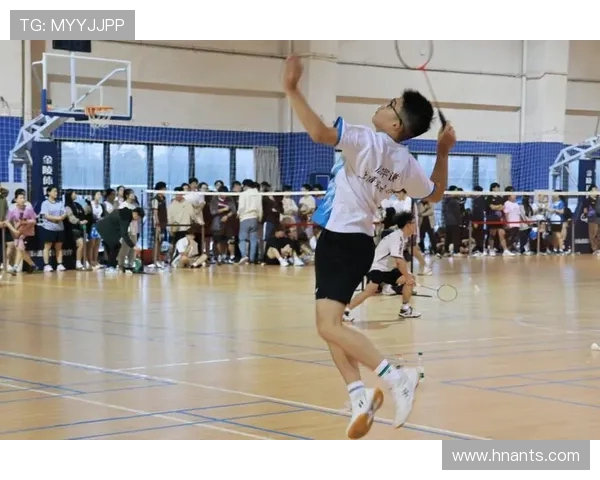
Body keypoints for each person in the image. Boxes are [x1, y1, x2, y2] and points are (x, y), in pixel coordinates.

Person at [282, 55, 455, 439]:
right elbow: (436, 193)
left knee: (329, 326)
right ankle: (358, 396)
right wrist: (443, 152)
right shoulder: (405, 162)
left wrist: (291, 89)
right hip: (352, 240)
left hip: (343, 240)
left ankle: (396, 377)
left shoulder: (365, 138)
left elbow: (319, 133)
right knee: (330, 327)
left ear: (395, 125)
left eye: (390, 104)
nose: (382, 104)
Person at [343, 211, 420, 322]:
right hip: (377, 267)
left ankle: (405, 309)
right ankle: (345, 311)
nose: (415, 225)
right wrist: (407, 276)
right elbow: (399, 261)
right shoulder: (397, 238)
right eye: (414, 223)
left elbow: (400, 260)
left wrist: (408, 276)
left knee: (410, 279)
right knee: (370, 290)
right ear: (408, 225)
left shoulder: (402, 237)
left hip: (387, 269)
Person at [96, 206, 144, 274]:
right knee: (116, 246)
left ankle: (110, 266)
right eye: (138, 218)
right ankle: (111, 267)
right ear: (136, 213)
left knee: (112, 247)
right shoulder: (126, 217)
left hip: (105, 227)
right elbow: (124, 234)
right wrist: (133, 246)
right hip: (105, 229)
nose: (137, 220)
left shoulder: (126, 212)